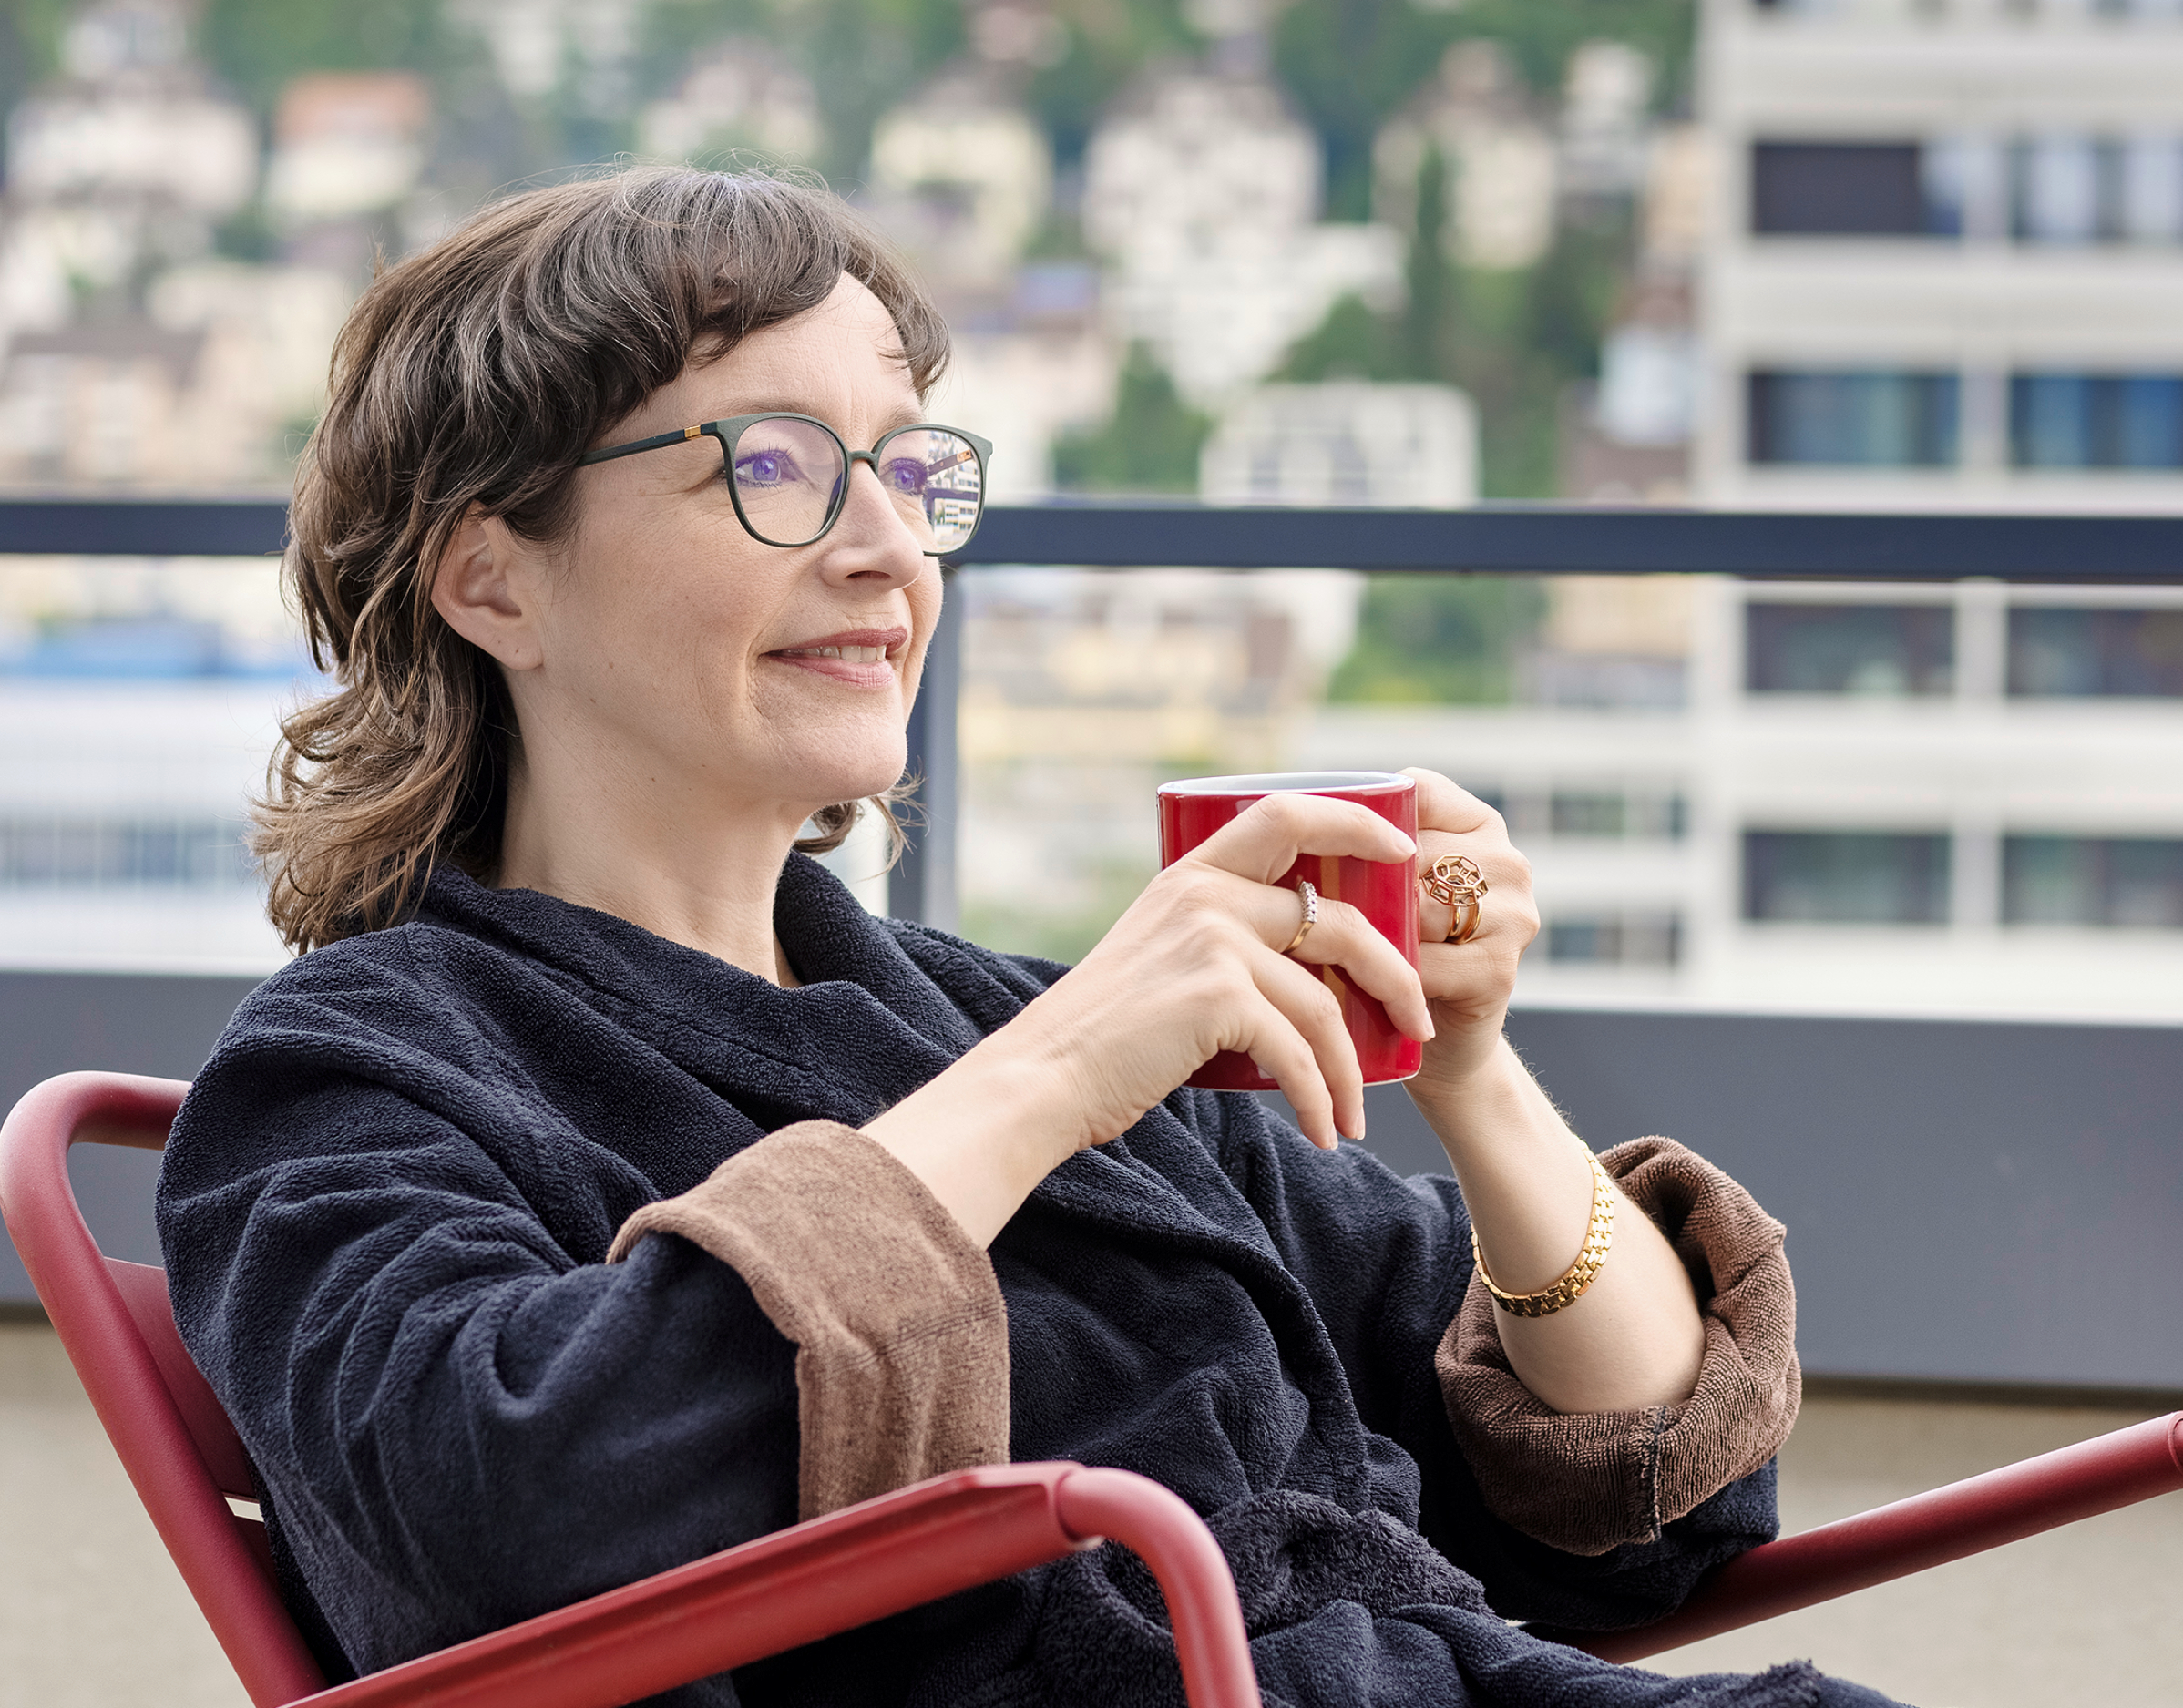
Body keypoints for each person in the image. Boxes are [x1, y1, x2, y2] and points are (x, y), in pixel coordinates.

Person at [157, 167, 1904, 1708]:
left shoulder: (1007, 1025)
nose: (885, 549)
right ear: (491, 581)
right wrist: (1062, 1072)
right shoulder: (351, 1083)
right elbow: (515, 1506)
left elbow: (1646, 1495)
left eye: (908, 470)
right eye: (771, 466)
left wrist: (1471, 1072)